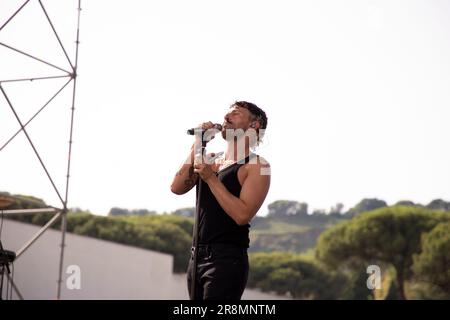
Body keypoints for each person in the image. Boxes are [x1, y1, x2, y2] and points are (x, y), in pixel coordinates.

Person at [170, 101, 270, 300]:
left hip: (226, 260)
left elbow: (242, 216)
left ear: (254, 125)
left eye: (235, 113)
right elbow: (177, 187)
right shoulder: (212, 161)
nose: (226, 117)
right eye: (226, 114)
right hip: (196, 255)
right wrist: (199, 143)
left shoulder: (258, 166)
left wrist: (210, 178)